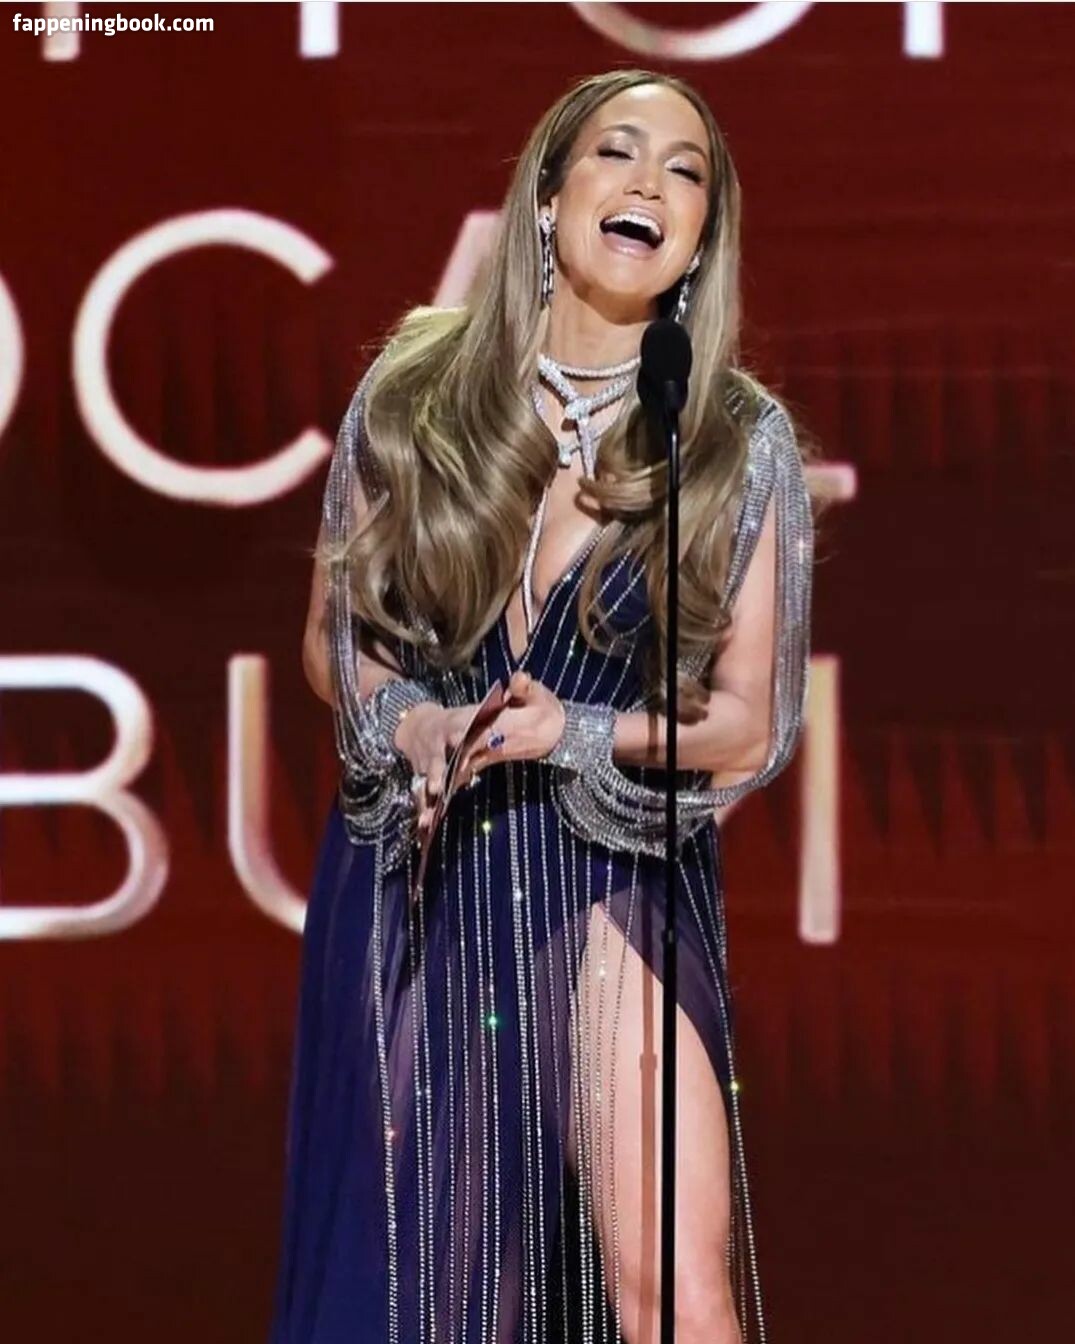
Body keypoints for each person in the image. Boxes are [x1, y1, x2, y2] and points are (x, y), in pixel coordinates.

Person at [269, 68, 816, 1344]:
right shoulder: (413, 392)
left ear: (702, 238)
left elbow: (750, 722)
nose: (648, 184)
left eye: (685, 172)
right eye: (617, 152)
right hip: (424, 864)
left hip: (609, 872)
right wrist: (412, 720)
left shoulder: (731, 439)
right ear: (548, 196)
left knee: (671, 1286)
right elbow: (337, 641)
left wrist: (575, 731)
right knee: (433, 1296)